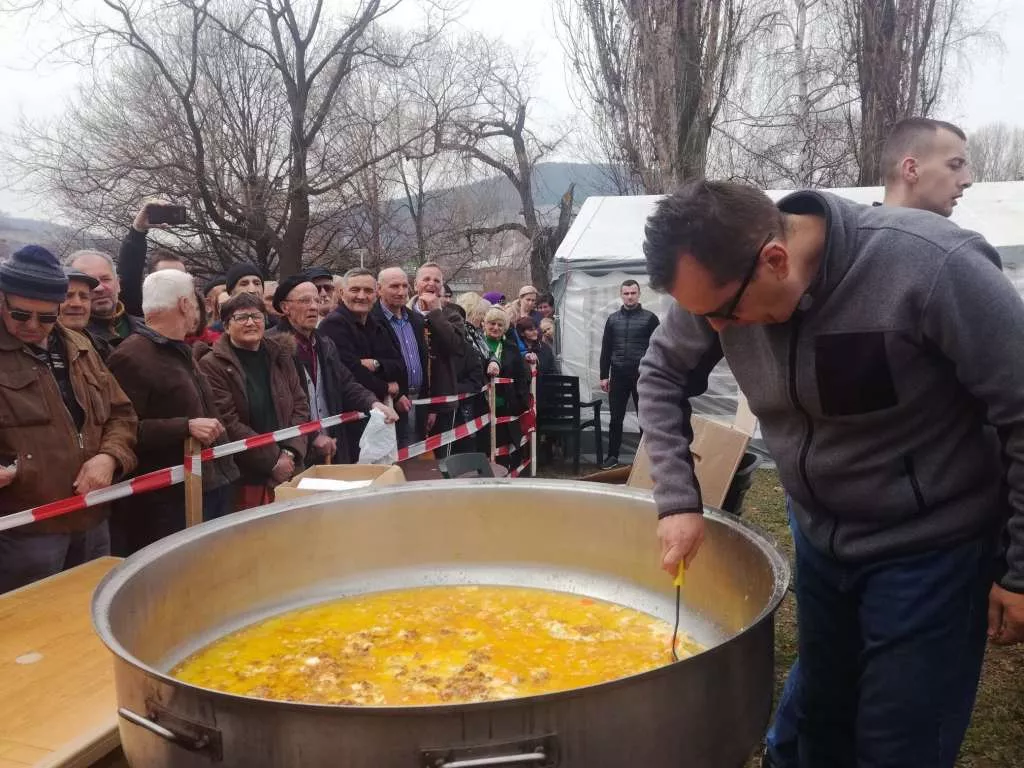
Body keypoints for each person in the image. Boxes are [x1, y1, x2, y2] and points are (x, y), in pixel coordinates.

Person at [637, 180, 1024, 768]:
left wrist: (1019, 571)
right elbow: (661, 375)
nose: (714, 330)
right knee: (820, 716)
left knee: (899, 738)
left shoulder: (933, 266)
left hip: (930, 551)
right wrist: (678, 499)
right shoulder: (719, 281)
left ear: (775, 258)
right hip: (819, 539)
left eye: (722, 313)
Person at [763, 115, 986, 768]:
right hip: (823, 534)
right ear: (910, 167)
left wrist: (1011, 558)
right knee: (823, 692)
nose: (967, 179)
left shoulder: (952, 261)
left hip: (926, 543)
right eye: (956, 163)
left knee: (899, 723)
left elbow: (1009, 405)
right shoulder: (808, 259)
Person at [0, 246, 138, 593]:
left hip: (92, 518)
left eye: (46, 317)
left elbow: (121, 414)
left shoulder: (81, 346)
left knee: (90, 617)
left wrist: (109, 458)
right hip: (26, 530)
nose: (33, 326)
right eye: (20, 315)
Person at [106, 271, 238, 554]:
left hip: (207, 484)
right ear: (184, 304)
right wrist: (184, 427)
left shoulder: (180, 350)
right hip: (168, 504)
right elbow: (121, 429)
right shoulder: (131, 356)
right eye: (193, 300)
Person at [197, 292, 309, 510]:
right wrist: (273, 461)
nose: (250, 322)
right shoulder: (212, 365)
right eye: (241, 317)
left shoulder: (280, 355)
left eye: (256, 316)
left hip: (291, 466)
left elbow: (300, 406)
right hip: (244, 477)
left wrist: (289, 453)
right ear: (226, 325)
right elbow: (228, 422)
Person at [268, 275, 394, 464]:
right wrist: (311, 437)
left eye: (316, 301)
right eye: (304, 301)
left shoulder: (324, 344)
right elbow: (277, 405)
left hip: (330, 445)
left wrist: (373, 403)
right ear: (285, 308)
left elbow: (345, 383)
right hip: (291, 453)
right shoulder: (272, 347)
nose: (313, 307)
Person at [319, 268, 403, 449]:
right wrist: (385, 386)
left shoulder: (376, 323)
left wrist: (376, 364)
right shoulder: (334, 325)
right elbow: (351, 372)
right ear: (342, 293)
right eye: (355, 290)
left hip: (377, 415)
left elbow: (399, 365)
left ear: (376, 294)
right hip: (349, 416)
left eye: (368, 291)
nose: (362, 296)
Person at [599, 279, 660, 469]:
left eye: (633, 293)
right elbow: (606, 349)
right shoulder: (612, 319)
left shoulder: (650, 318)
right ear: (621, 295)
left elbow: (657, 349)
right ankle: (612, 456)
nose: (630, 296)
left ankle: (646, 458)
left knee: (645, 418)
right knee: (616, 417)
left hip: (643, 376)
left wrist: (656, 375)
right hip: (618, 375)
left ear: (639, 294)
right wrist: (603, 375)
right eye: (626, 293)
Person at [408, 262, 467, 448]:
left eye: (436, 280)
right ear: (416, 284)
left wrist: (435, 313)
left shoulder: (452, 316)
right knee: (410, 458)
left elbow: (456, 347)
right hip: (410, 400)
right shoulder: (404, 315)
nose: (431, 283)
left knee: (440, 462)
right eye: (426, 279)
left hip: (442, 398)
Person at [373, 267, 427, 448]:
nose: (401, 291)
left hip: (419, 401)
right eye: (394, 286)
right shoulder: (371, 320)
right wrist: (394, 397)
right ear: (379, 289)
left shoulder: (416, 320)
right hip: (388, 404)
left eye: (404, 286)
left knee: (416, 461)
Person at [880, 117, 973, 216]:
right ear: (911, 170)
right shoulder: (950, 232)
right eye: (955, 165)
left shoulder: (863, 228)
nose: (968, 181)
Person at [115, 201, 187, 318]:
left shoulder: (196, 317)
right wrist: (137, 231)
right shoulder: (140, 314)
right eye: (165, 277)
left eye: (179, 277)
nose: (172, 283)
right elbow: (128, 278)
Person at [481, 308, 529, 472]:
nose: (495, 328)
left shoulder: (511, 347)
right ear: (484, 324)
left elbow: (521, 376)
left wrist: (520, 401)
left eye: (500, 325)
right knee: (485, 446)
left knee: (506, 447)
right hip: (482, 405)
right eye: (492, 323)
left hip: (506, 405)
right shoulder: (478, 345)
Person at [66, 248, 145, 347]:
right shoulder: (71, 342)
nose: (99, 288)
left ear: (118, 284)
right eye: (90, 282)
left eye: (105, 279)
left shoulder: (149, 328)